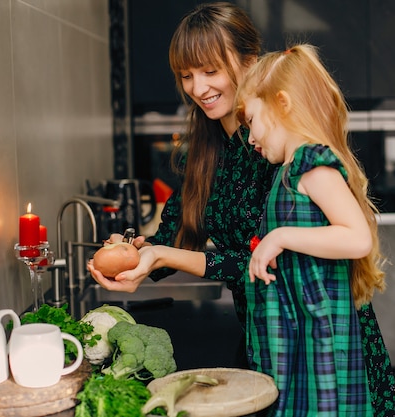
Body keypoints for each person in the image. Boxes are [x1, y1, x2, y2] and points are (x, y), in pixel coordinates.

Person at [88, 2, 274, 358]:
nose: (198, 88)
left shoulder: (273, 143)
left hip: (313, 337)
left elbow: (264, 263)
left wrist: (160, 256)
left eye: (210, 70)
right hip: (257, 333)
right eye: (187, 75)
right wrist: (134, 254)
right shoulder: (204, 151)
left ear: (250, 61)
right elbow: (172, 240)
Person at [234, 44, 395, 416]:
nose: (250, 137)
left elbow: (358, 238)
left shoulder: (312, 165)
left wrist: (280, 237)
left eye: (252, 121)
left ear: (282, 104)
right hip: (298, 337)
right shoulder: (287, 172)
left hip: (319, 338)